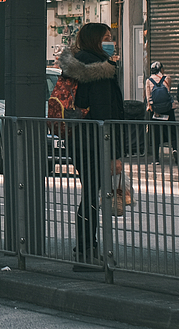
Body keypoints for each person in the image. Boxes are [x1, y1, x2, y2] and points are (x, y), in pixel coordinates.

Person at [57, 22, 123, 272]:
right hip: (95, 143)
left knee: (90, 194)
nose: (110, 41)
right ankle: (86, 251)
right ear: (95, 40)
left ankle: (87, 248)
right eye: (106, 37)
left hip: (78, 139)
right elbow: (105, 114)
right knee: (92, 197)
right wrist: (114, 154)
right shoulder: (100, 70)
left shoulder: (74, 64)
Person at [146, 61, 175, 162]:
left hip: (155, 111)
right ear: (161, 69)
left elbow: (148, 96)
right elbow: (168, 90)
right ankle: (175, 149)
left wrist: (152, 107)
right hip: (168, 109)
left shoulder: (149, 80)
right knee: (172, 131)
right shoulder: (167, 78)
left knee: (155, 134)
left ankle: (156, 158)